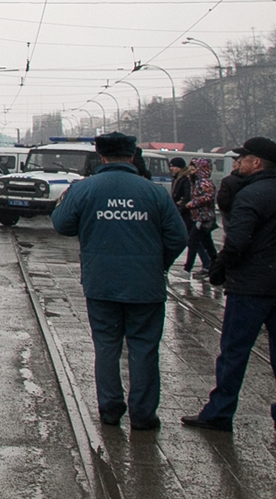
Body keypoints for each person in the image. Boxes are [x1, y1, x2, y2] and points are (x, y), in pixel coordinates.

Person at [52, 132, 188, 431]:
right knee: (144, 347)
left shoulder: (84, 189)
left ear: (100, 157)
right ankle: (143, 414)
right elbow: (179, 236)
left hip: (101, 283)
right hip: (146, 285)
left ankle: (110, 409)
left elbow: (62, 225)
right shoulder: (154, 193)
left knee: (106, 346)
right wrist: (157, 264)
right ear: (131, 156)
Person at [184, 136, 276, 435]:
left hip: (250, 286)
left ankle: (220, 412)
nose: (236, 163)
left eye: (242, 158)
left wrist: (219, 268)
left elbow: (236, 242)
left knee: (234, 350)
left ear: (256, 163)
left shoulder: (249, 196)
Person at [181, 159, 219, 276]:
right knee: (207, 244)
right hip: (199, 217)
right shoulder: (196, 182)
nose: (191, 172)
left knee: (193, 241)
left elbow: (208, 197)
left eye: (193, 169)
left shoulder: (204, 182)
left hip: (203, 218)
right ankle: (216, 266)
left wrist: (192, 204)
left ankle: (187, 269)